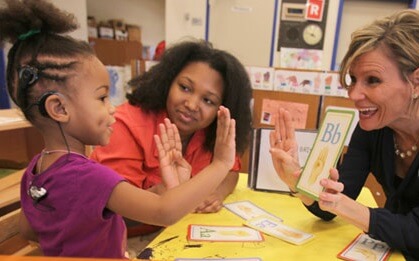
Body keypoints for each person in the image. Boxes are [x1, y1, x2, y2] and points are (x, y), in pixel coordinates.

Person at [0, 0, 237, 258]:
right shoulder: (89, 176)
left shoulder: (37, 168)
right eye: (102, 98)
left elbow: (29, 230)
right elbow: (165, 212)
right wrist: (220, 164)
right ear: (59, 108)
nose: (112, 108)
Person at [269, 9, 419, 260]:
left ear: (415, 83)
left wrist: (344, 206)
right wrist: (300, 182)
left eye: (372, 80)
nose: (353, 94)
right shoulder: (372, 129)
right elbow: (334, 204)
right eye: (353, 79)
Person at [90, 40, 252, 218]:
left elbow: (230, 172)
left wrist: (217, 193)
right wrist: (168, 195)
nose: (191, 105)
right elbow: (114, 213)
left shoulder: (212, 131)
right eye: (185, 88)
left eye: (208, 101)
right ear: (168, 81)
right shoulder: (126, 126)